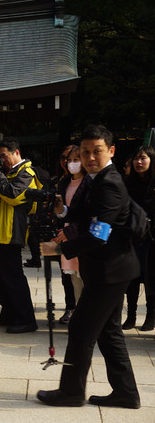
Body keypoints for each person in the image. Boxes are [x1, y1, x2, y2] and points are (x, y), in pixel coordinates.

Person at [37, 124, 141, 409]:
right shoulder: (96, 179)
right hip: (109, 268)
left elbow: (99, 234)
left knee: (81, 329)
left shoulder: (109, 183)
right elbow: (85, 216)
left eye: (97, 151)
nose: (90, 157)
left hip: (110, 271)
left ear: (111, 151)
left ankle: (70, 392)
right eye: (85, 152)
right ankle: (126, 393)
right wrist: (64, 211)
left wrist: (59, 248)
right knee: (108, 332)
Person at [0, 138, 42, 334]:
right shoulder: (8, 172)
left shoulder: (26, 172)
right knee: (1, 277)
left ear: (16, 153)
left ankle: (26, 319)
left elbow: (13, 195)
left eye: (4, 156)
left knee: (13, 277)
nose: (2, 160)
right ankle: (9, 314)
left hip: (11, 232)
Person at [53, 146, 88, 324]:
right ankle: (78, 314)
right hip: (65, 234)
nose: (72, 163)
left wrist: (70, 231)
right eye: (70, 160)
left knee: (85, 277)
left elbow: (85, 215)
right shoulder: (64, 182)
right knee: (73, 278)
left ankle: (86, 317)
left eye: (76, 159)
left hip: (81, 235)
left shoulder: (89, 183)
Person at [122, 146, 155, 331]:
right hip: (132, 237)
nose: (139, 162)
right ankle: (131, 316)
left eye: (143, 158)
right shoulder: (127, 183)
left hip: (151, 238)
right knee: (131, 278)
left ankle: (151, 316)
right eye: (136, 158)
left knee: (150, 278)